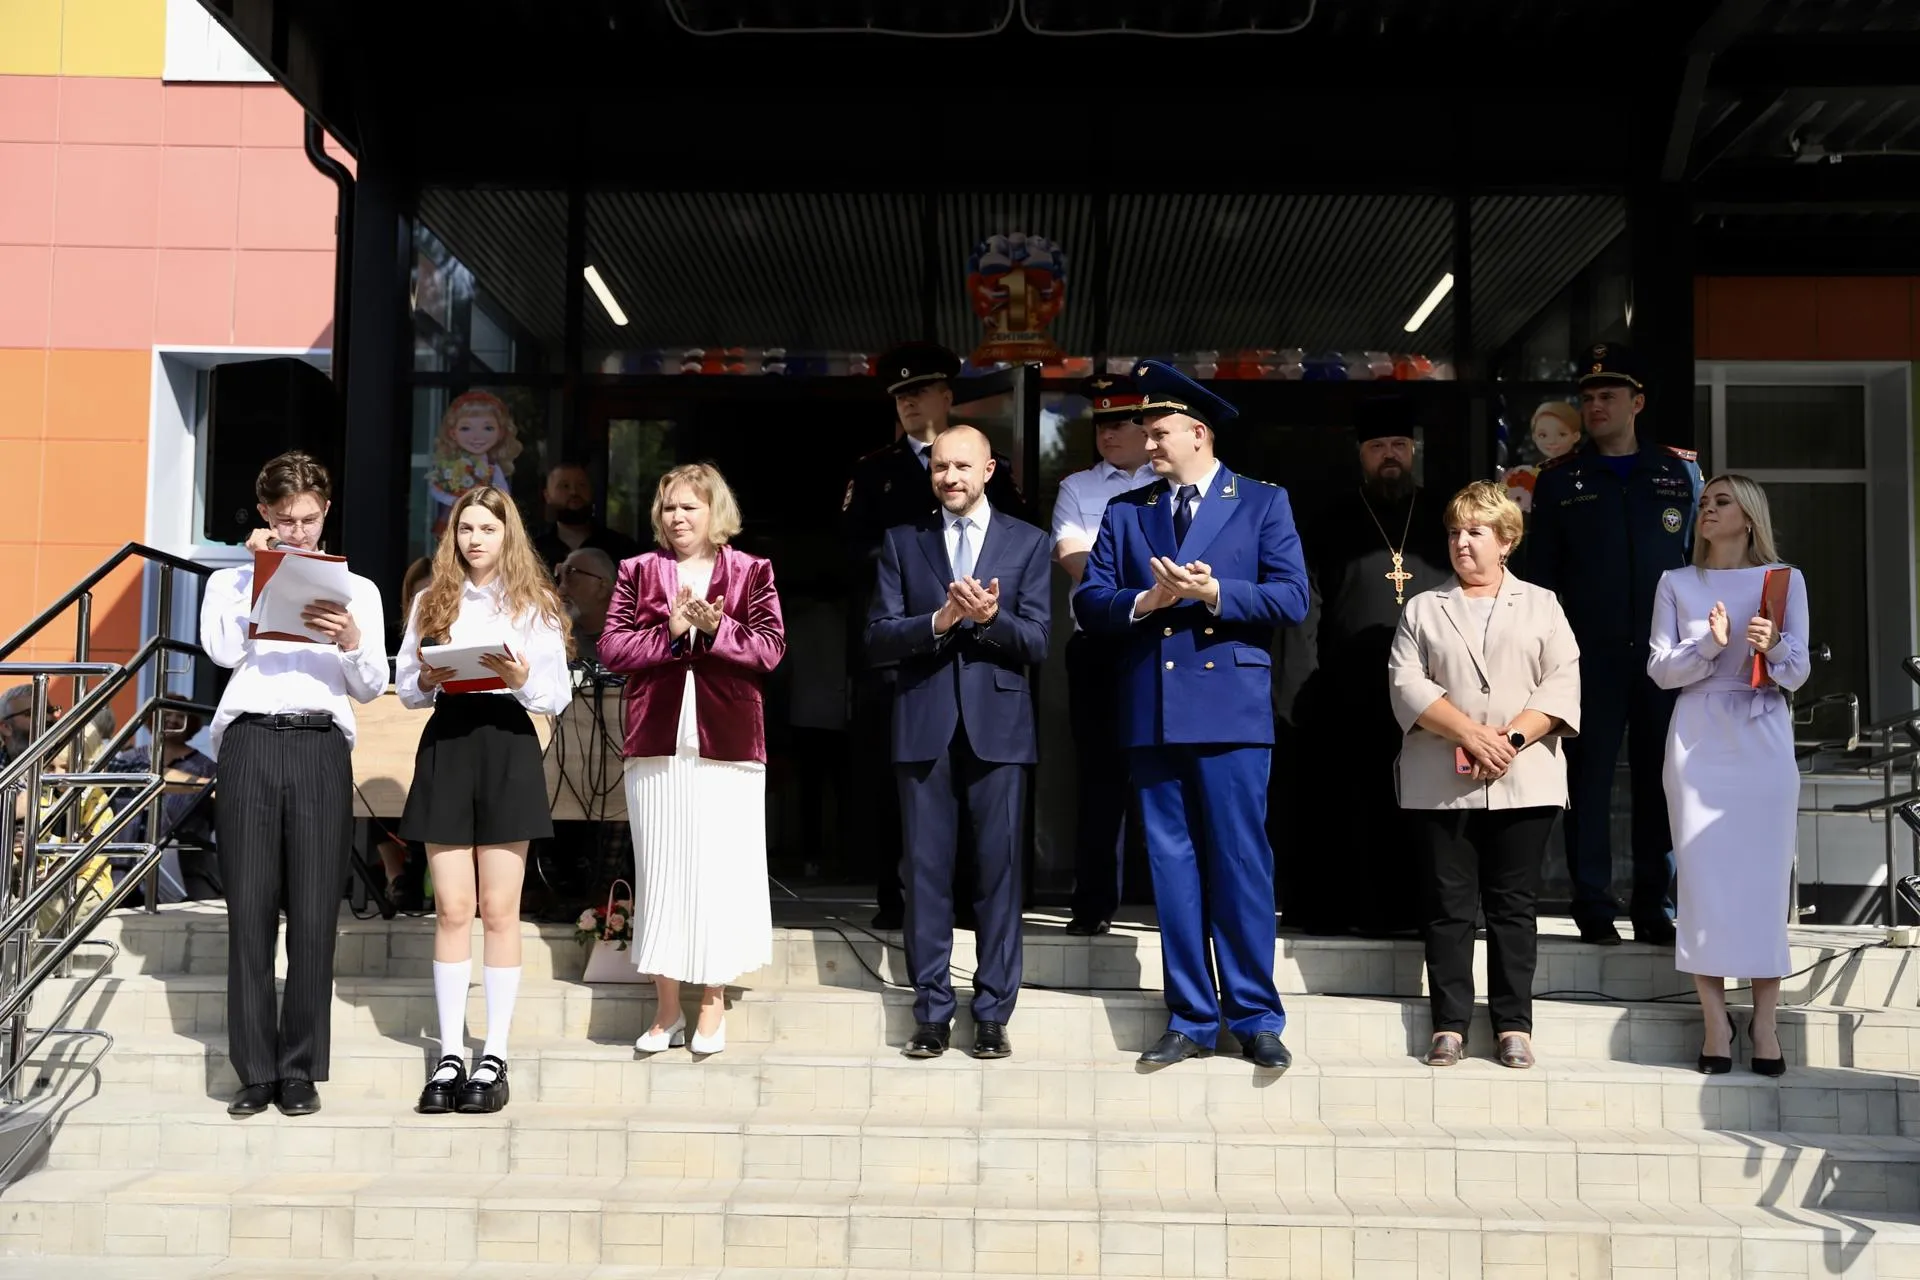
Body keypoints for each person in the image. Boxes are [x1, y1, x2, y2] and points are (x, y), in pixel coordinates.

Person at [1073, 361, 1309, 1071]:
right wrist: (1144, 602)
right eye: (1146, 433)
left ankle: (1255, 1016)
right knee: (1172, 869)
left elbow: (1292, 597)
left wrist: (1214, 593)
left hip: (1229, 710)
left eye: (1159, 432)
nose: (1147, 444)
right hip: (1154, 709)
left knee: (1239, 862)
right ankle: (1191, 1018)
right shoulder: (1128, 511)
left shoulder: (1261, 501)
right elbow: (1090, 602)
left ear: (1199, 433)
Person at [198, 451, 388, 1118]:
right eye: (285, 521)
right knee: (249, 910)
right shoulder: (229, 581)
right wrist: (258, 578)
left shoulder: (357, 588)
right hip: (250, 740)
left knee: (313, 914)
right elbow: (223, 651)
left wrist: (352, 638)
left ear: (326, 512)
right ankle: (255, 1070)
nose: (298, 532)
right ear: (264, 516)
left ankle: (300, 1068)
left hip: (320, 743)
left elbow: (370, 686)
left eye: (308, 519)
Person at [867, 425, 1051, 1061]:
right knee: (925, 874)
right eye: (940, 467)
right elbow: (878, 636)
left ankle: (993, 1012)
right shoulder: (903, 541)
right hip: (924, 723)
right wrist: (939, 621)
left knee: (1000, 875)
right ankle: (932, 1011)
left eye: (962, 467)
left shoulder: (1028, 542)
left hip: (1000, 727)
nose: (949, 477)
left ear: (989, 470)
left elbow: (1039, 642)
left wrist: (991, 619)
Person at [1389, 481, 1581, 1070]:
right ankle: (1449, 1024)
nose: (1462, 543)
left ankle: (1513, 1025)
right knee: (1448, 907)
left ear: (1506, 540)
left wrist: (1509, 740)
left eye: (1475, 532)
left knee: (1512, 907)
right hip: (1440, 782)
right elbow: (1406, 683)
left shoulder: (1543, 604)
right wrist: (1468, 733)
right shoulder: (1424, 607)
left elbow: (1561, 682)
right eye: (1454, 532)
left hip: (1525, 778)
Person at [396, 485, 573, 1115]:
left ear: (508, 535)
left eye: (487, 529)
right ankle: (449, 1053)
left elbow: (556, 695)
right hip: (448, 737)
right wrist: (425, 678)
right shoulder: (431, 599)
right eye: (466, 528)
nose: (475, 539)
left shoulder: (535, 602)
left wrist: (522, 680)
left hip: (506, 741)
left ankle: (493, 1053)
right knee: (451, 908)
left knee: (499, 908)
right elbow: (407, 688)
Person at [598, 463, 785, 1056]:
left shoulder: (752, 570)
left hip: (729, 743)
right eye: (670, 507)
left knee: (720, 871)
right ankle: (666, 1007)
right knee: (662, 872)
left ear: (714, 512)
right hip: (655, 743)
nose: (678, 517)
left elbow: (770, 650)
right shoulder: (637, 570)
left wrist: (718, 627)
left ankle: (712, 1000)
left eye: (690, 507)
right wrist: (672, 630)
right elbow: (611, 648)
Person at [842, 342, 1027, 930]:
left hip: (979, 654)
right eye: (899, 395)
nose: (908, 402)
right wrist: (920, 583)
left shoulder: (992, 466)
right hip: (904, 648)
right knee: (899, 783)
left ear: (947, 396)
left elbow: (1017, 546)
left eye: (919, 391)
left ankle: (970, 901)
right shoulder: (876, 471)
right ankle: (897, 900)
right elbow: (852, 554)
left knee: (978, 786)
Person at [1527, 342, 1702, 946]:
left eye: (1608, 395)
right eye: (1588, 397)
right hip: (1588, 657)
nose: (1596, 406)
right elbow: (1542, 578)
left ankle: (1654, 903)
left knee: (1661, 780)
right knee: (1589, 782)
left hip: (1664, 658)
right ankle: (1593, 904)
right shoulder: (1560, 481)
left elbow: (1699, 564)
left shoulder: (1679, 474)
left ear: (1637, 402)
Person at [1648, 475, 1810, 1077]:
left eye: (1722, 502)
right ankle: (1715, 1021)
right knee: (1703, 880)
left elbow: (1797, 672)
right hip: (1698, 735)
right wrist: (1710, 648)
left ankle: (1764, 1021)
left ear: (1748, 517)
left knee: (1764, 881)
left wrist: (1775, 646)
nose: (1707, 510)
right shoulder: (1676, 582)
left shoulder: (1784, 580)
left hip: (1762, 733)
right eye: (1704, 502)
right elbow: (1660, 670)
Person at [1282, 396, 1451, 936]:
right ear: (1362, 455)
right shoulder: (1329, 522)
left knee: (1423, 806)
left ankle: (1423, 913)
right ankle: (1353, 912)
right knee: (1353, 804)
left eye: (1398, 445)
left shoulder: (1445, 520)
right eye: (1378, 447)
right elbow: (1306, 608)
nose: (1390, 455)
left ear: (1413, 450)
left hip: (1432, 692)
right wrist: (1300, 687)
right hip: (1348, 690)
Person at [1051, 372, 1157, 935]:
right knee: (1099, 779)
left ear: (1146, 425)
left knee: (1166, 774)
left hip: (1161, 644)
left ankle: (1170, 901)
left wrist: (1117, 575)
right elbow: (1074, 560)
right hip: (1098, 646)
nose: (1108, 434)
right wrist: (1150, 588)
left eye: (1120, 423)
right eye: (1101, 424)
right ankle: (1093, 904)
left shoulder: (1172, 481)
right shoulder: (1078, 487)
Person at [531, 461, 642, 575]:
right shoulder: (533, 552)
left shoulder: (622, 547)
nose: (574, 492)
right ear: (547, 496)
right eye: (565, 486)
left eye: (581, 485)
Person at [558, 547, 619, 664]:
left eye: (572, 578)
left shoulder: (630, 643)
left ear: (602, 587)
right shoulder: (555, 638)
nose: (560, 591)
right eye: (560, 579)